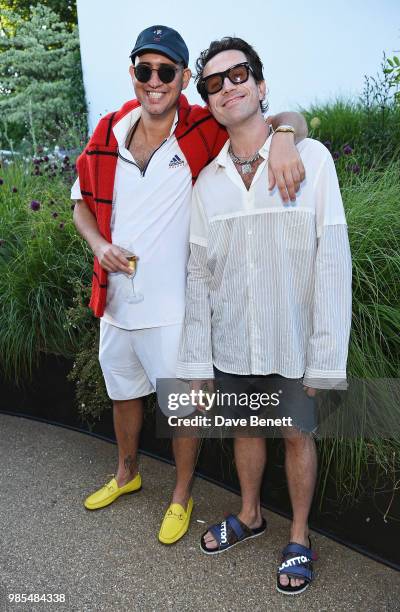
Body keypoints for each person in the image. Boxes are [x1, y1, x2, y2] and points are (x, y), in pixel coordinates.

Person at [71, 25, 308, 545]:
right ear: (133, 73)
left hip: (174, 307)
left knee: (182, 409)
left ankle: (182, 494)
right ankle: (126, 473)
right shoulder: (108, 130)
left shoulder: (204, 127)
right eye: (144, 69)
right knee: (124, 395)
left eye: (166, 71)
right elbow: (80, 203)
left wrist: (287, 137)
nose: (154, 81)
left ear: (182, 79)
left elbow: (280, 119)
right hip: (115, 302)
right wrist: (98, 247)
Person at [176, 37, 352, 593]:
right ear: (207, 101)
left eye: (238, 74)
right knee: (246, 429)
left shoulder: (313, 159)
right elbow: (198, 274)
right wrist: (197, 359)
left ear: (260, 84)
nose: (227, 86)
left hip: (295, 339)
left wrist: (326, 358)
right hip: (233, 341)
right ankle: (250, 514)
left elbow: (333, 259)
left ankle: (298, 535)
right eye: (213, 82)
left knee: (298, 435)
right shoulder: (207, 184)